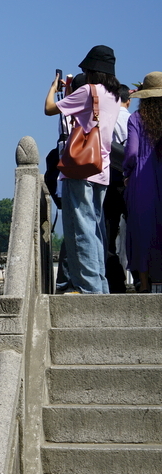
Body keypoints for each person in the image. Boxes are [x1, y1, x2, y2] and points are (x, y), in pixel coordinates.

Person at [45, 46, 123, 293]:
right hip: (102, 168)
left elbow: (49, 109)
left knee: (80, 229)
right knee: (96, 228)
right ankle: (99, 283)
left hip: (79, 169)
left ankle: (89, 287)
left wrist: (54, 88)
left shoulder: (88, 92)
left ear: (91, 70)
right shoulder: (114, 95)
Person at [124, 71, 162, 292]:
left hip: (142, 181)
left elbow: (131, 152)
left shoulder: (136, 119)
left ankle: (145, 283)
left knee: (142, 232)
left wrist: (127, 173)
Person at [104, 84, 132, 292]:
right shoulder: (135, 119)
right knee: (136, 231)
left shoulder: (108, 119)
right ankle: (141, 277)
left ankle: (115, 281)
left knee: (109, 234)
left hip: (112, 179)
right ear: (128, 100)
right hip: (133, 180)